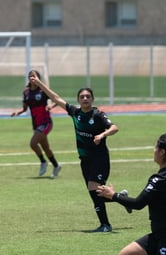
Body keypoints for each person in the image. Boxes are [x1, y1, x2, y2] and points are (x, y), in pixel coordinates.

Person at [31, 74, 130, 233]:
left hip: (100, 159)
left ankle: (105, 225)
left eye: (88, 96)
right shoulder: (75, 113)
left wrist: (103, 135)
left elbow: (114, 127)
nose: (85, 99)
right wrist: (40, 83)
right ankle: (123, 199)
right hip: (85, 160)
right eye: (82, 96)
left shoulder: (98, 115)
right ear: (78, 100)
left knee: (93, 188)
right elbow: (55, 98)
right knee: (96, 194)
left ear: (92, 99)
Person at [97, 134, 166, 255]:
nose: (154, 150)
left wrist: (114, 196)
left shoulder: (159, 180)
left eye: (156, 147)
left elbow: (138, 204)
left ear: (163, 152)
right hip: (159, 234)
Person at [11, 70, 61, 178]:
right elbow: (24, 108)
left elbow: (57, 100)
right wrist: (17, 112)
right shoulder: (26, 92)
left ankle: (43, 162)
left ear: (38, 78)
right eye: (30, 76)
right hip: (36, 124)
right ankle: (56, 166)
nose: (32, 78)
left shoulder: (43, 90)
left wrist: (51, 106)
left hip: (46, 122)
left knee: (33, 143)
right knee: (46, 148)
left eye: (34, 76)